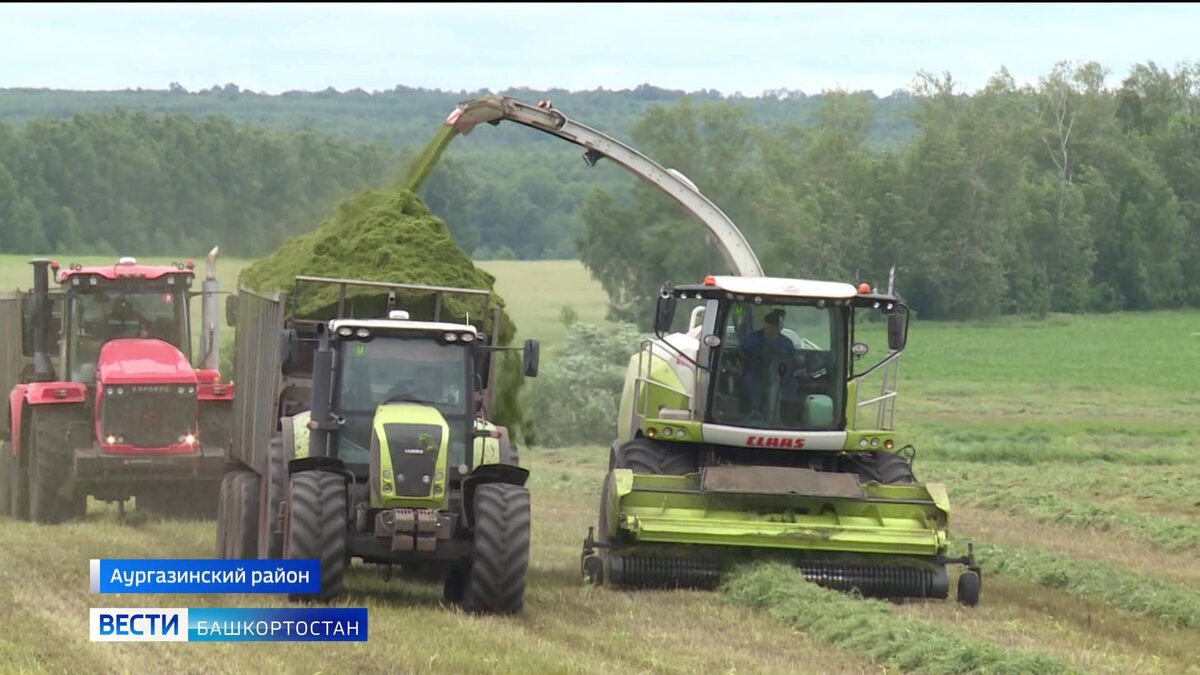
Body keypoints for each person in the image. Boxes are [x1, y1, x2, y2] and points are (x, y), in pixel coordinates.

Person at [738, 308, 798, 416]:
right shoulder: (752, 339)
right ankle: (754, 411)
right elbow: (743, 352)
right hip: (756, 372)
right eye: (769, 325)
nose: (772, 329)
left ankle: (785, 415)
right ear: (765, 324)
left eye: (775, 326)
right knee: (750, 382)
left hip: (781, 375)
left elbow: (793, 358)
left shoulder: (786, 343)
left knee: (791, 386)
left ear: (778, 327)